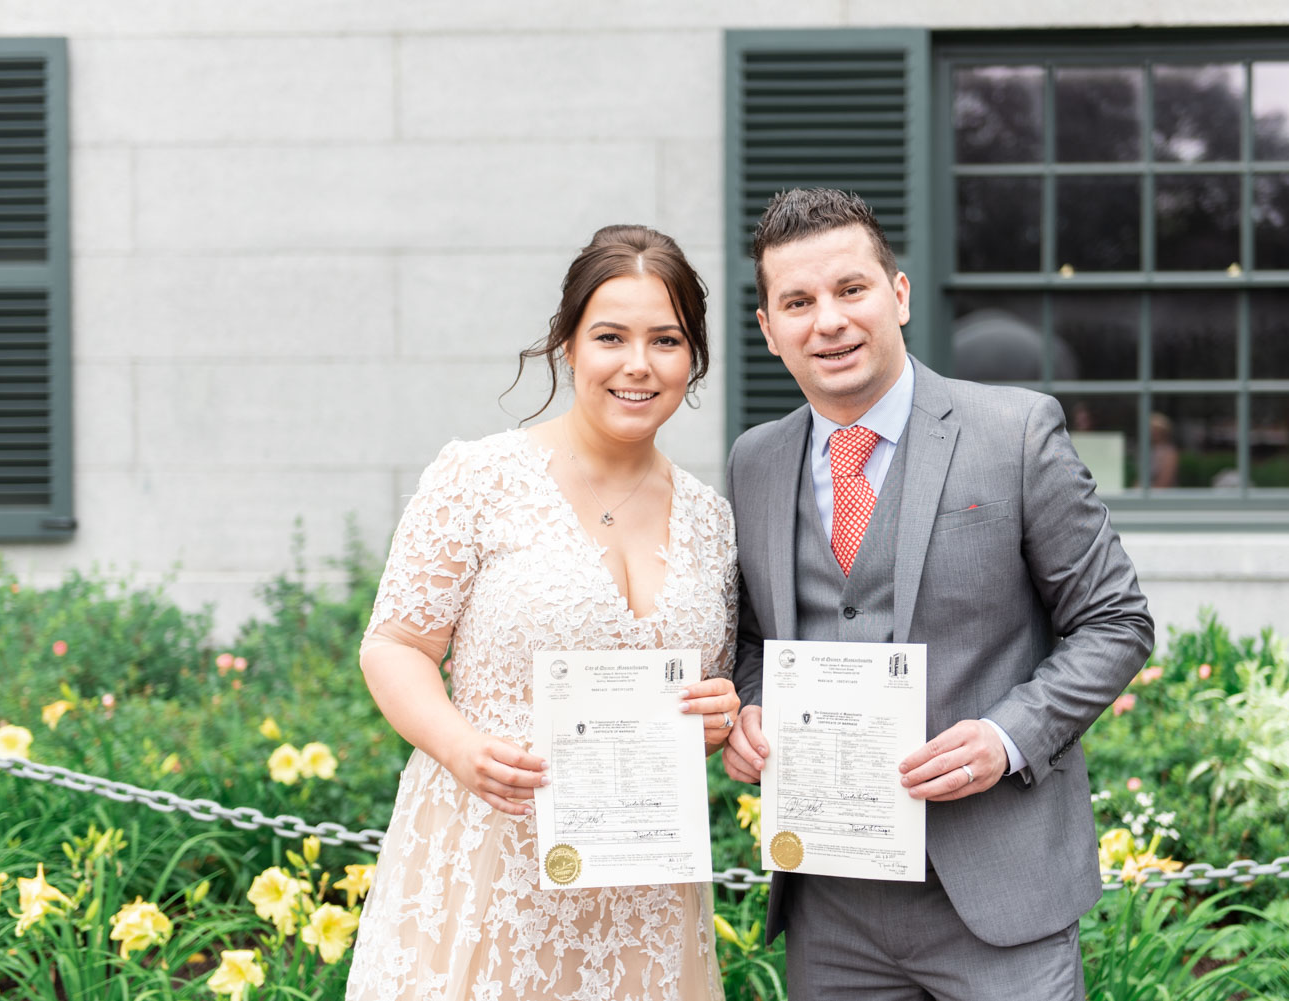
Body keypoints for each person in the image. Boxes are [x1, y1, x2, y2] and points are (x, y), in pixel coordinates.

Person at [721, 189, 1153, 1001]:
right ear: (769, 330)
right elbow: (752, 638)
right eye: (799, 302)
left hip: (1000, 897)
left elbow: (1116, 620)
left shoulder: (1015, 432)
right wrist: (748, 708)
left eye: (852, 289)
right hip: (832, 901)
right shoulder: (755, 461)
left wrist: (1007, 735)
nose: (830, 321)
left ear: (899, 295)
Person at [347, 225, 740, 1001]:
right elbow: (393, 644)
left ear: (692, 355)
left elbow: (709, 693)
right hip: (488, 864)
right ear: (567, 344)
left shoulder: (712, 519)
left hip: (643, 897)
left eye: (666, 338)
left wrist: (719, 713)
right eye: (610, 336)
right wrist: (461, 747)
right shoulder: (479, 476)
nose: (638, 363)